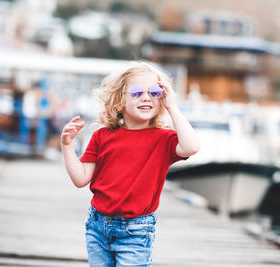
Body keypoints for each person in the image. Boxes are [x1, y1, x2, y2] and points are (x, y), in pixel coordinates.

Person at [60, 61, 199, 267]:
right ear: (119, 100)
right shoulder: (102, 136)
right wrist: (67, 145)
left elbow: (191, 147)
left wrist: (172, 106)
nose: (146, 97)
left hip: (136, 230)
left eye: (154, 92)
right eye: (136, 92)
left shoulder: (163, 139)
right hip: (98, 226)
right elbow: (80, 178)